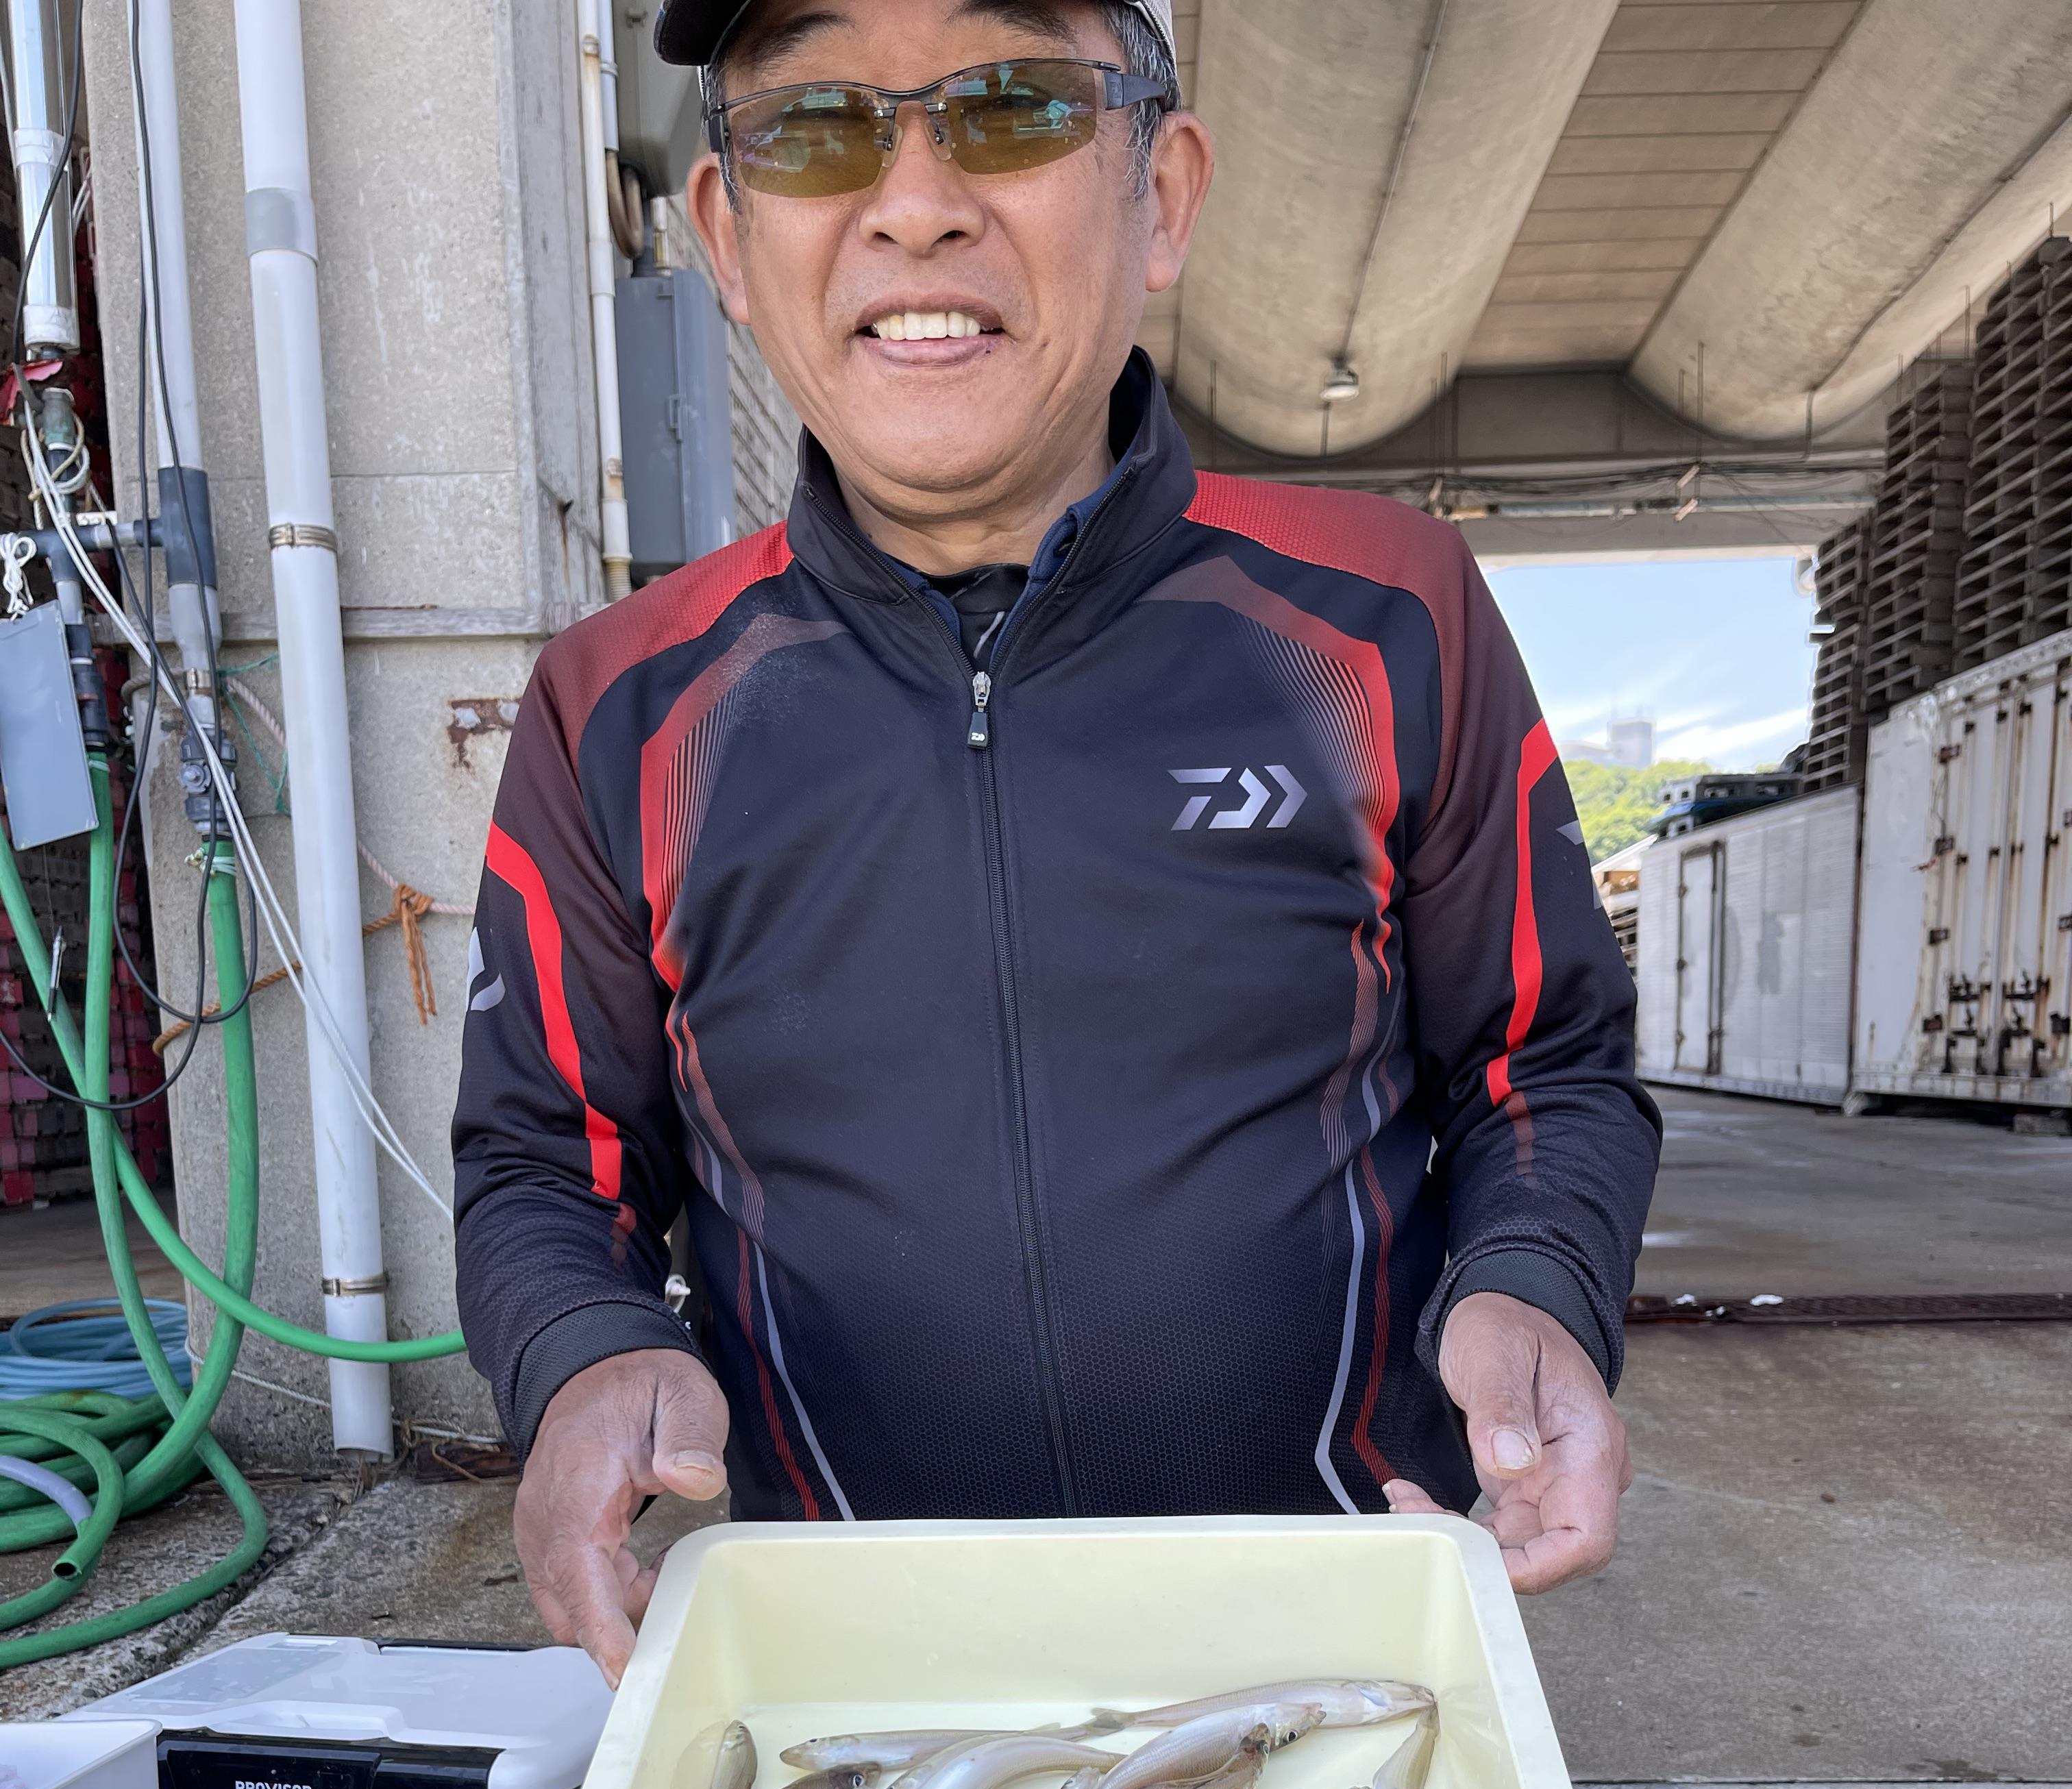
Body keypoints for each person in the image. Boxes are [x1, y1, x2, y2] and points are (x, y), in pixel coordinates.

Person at [452, 0, 1660, 1685]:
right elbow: (542, 1160)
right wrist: (580, 1355)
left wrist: (1534, 1284)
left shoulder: (1389, 620)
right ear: (728, 235)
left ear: (1159, 193)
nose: (917, 200)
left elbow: (1544, 1061)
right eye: (815, 129)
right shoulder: (619, 704)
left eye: (1011, 107)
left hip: (1343, 1649)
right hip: (849, 1689)